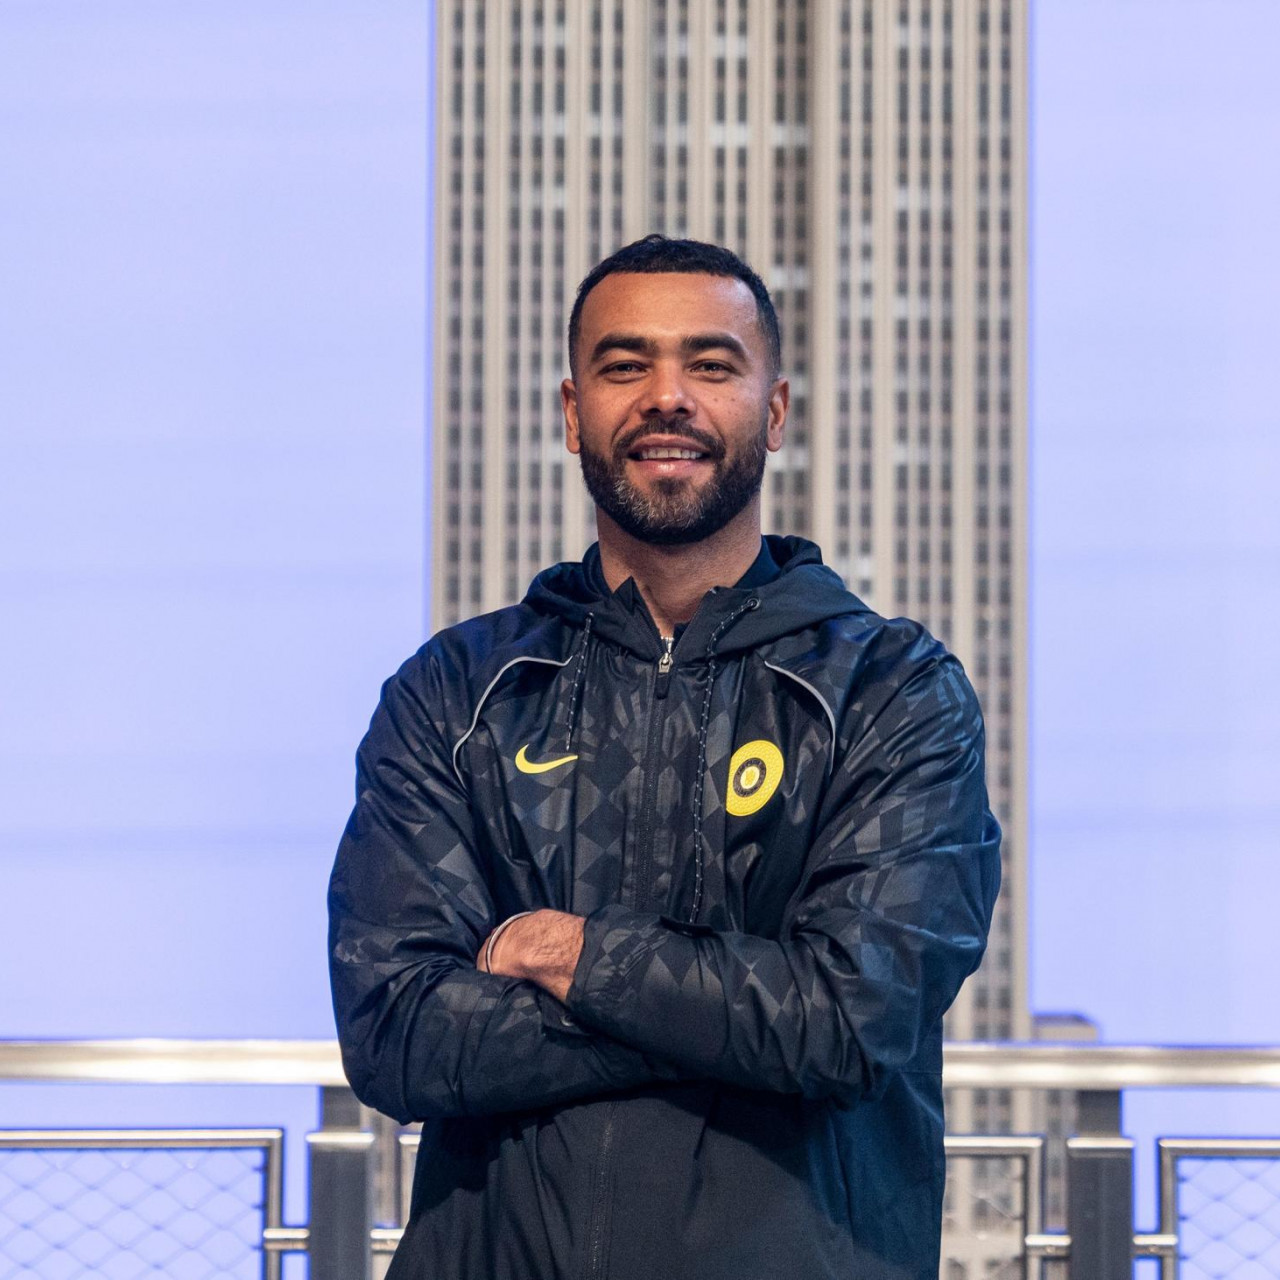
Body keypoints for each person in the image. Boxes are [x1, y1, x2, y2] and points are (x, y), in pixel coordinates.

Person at [328, 235, 1001, 1280]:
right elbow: (396, 1032)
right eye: (624, 364)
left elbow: (851, 1018)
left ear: (774, 412)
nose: (667, 396)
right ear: (572, 413)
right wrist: (734, 1017)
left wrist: (572, 956)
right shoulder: (458, 692)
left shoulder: (889, 689)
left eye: (711, 364)